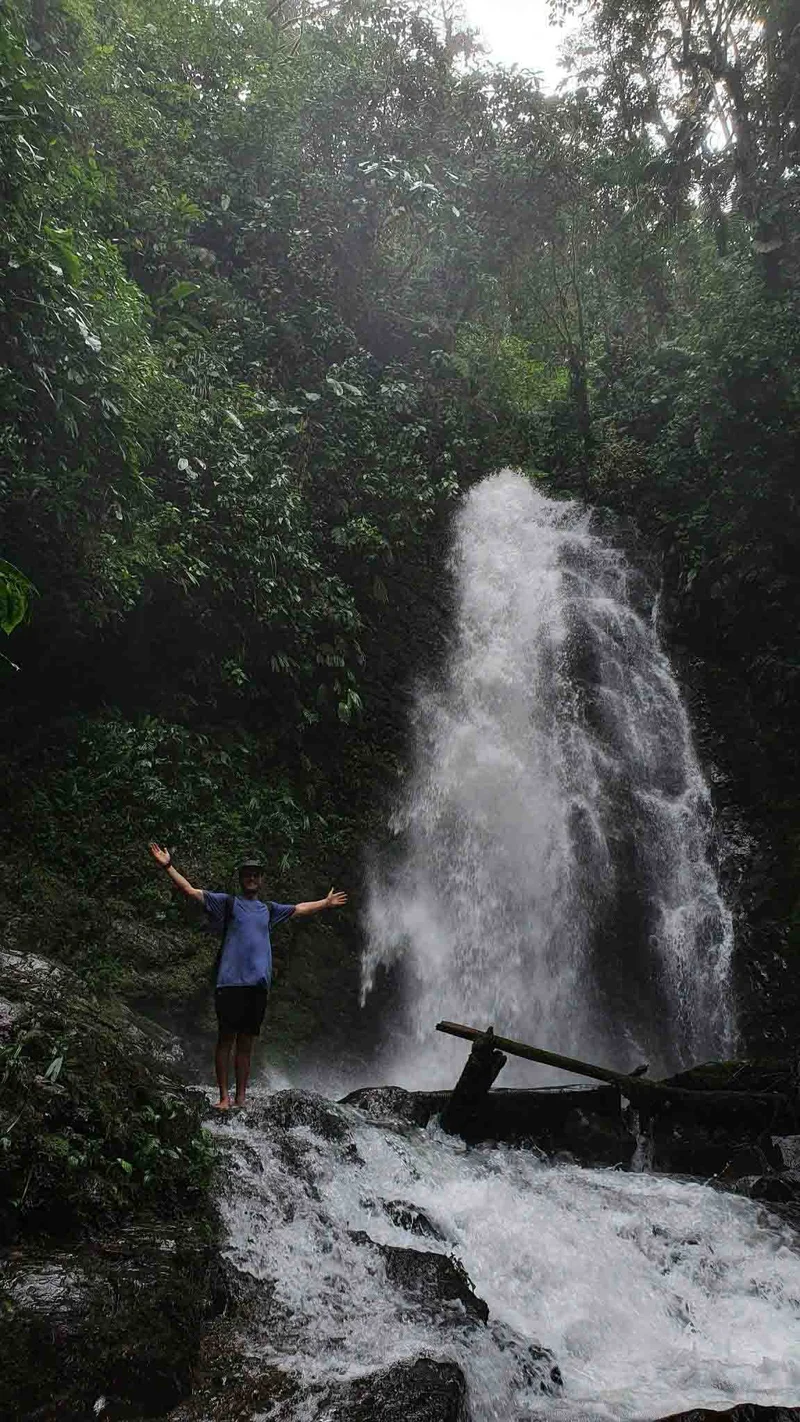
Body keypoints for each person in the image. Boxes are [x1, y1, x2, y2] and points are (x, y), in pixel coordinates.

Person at [147, 843, 347, 1109]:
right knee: (226, 1040)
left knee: (246, 1044)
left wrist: (325, 902)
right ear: (241, 879)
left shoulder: (269, 910)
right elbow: (190, 891)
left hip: (257, 987)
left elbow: (299, 909)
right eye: (247, 874)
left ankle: (241, 1097)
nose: (251, 878)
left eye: (256, 874)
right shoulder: (227, 904)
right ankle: (224, 1097)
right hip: (230, 984)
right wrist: (168, 866)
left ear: (261, 880)